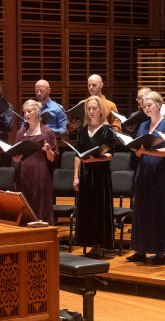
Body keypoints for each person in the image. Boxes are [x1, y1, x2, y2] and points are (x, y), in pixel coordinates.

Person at [129, 91, 165, 264]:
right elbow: (138, 148)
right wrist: (136, 149)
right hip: (145, 171)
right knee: (142, 211)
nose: (146, 108)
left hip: (161, 173)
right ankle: (141, 249)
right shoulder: (143, 125)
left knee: (160, 211)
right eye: (144, 106)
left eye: (149, 105)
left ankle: (161, 252)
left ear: (158, 105)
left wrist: (149, 151)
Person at [73, 95, 117, 258]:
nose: (91, 111)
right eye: (89, 108)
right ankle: (90, 242)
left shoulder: (107, 130)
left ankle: (100, 246)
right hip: (85, 174)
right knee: (87, 209)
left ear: (101, 110)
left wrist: (95, 158)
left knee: (100, 209)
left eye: (94, 108)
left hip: (100, 175)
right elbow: (77, 154)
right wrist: (75, 176)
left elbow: (111, 154)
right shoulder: (82, 130)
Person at [14, 99, 58, 224]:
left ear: (37, 111)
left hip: (41, 173)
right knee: (25, 204)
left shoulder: (48, 132)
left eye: (29, 111)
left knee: (41, 203)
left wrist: (48, 150)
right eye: (24, 112)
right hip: (24, 173)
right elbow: (16, 156)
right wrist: (15, 159)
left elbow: (52, 158)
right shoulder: (20, 133)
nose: (26, 114)